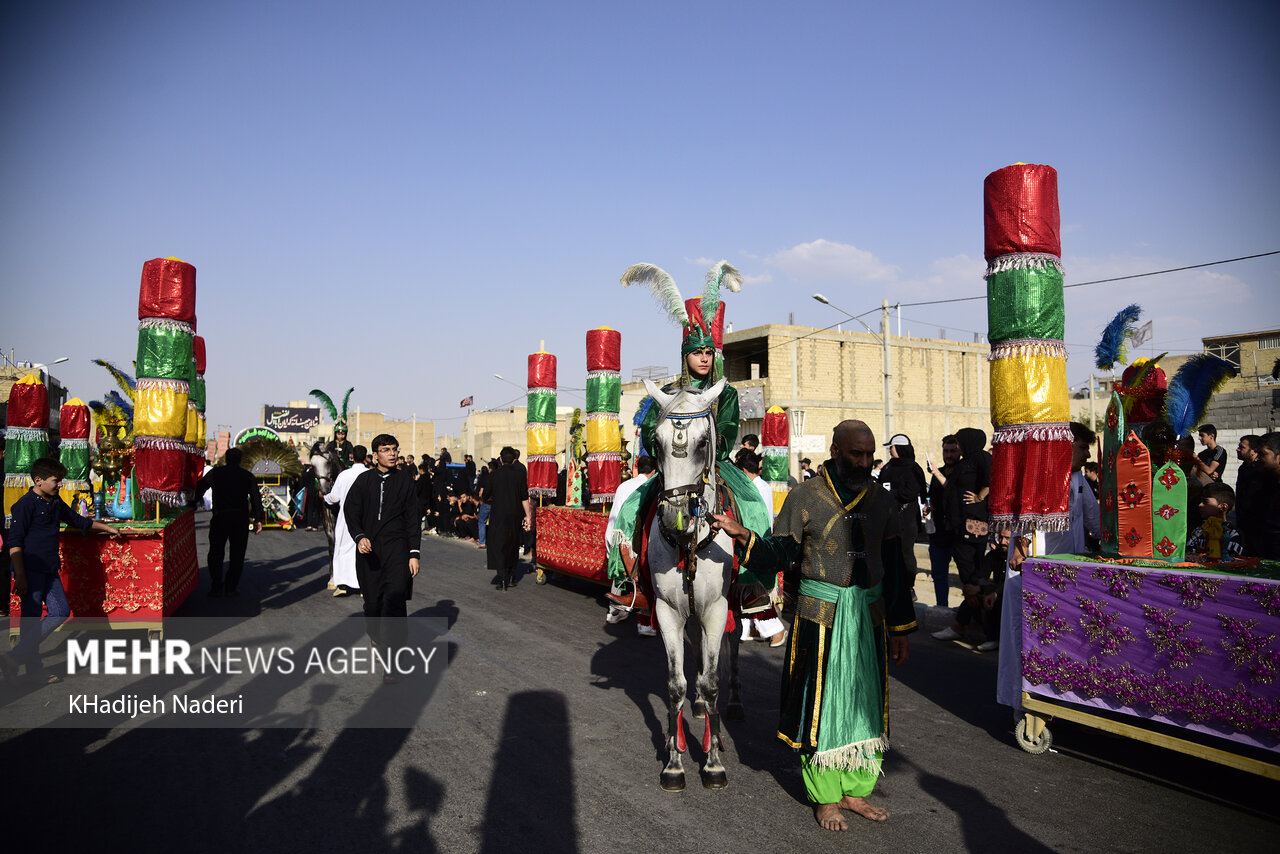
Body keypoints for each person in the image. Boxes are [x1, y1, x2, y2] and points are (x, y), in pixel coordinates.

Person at [712, 421, 914, 831]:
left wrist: (901, 629)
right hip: (819, 618)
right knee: (818, 708)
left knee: (865, 706)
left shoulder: (882, 500)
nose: (864, 462)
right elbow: (781, 553)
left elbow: (896, 568)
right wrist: (744, 535)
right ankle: (825, 797)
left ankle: (855, 790)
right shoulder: (804, 496)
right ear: (836, 451)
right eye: (856, 453)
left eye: (869, 454)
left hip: (870, 618)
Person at [608, 261, 771, 597]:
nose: (705, 358)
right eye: (698, 353)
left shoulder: (725, 392)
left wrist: (710, 445)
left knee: (755, 504)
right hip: (672, 466)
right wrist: (664, 450)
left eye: (709, 352)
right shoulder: (667, 393)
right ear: (686, 357)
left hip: (715, 465)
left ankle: (754, 585)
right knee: (629, 508)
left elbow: (728, 427)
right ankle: (630, 582)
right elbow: (651, 428)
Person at [0, 458, 121, 683]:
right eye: (56, 481)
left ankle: (14, 658)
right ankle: (32, 670)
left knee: (60, 611)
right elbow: (14, 543)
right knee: (31, 620)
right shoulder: (25, 505)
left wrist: (106, 528)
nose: (60, 485)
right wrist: (21, 575)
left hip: (49, 568)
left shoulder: (54, 501)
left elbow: (77, 520)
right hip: (30, 570)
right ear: (38, 480)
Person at [343, 434, 421, 678]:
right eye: (386, 450)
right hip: (370, 552)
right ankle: (375, 637)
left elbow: (413, 519)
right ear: (374, 455)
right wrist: (359, 537)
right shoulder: (363, 481)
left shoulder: (405, 481)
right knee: (373, 604)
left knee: (395, 603)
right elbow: (351, 511)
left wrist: (414, 553)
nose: (392, 453)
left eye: (395, 449)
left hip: (398, 551)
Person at [193, 447, 264, 597]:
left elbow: (200, 487)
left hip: (220, 517)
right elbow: (256, 499)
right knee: (237, 554)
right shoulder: (247, 476)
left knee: (215, 553)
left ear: (226, 459)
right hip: (239, 520)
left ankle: (216, 584)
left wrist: (192, 504)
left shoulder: (216, 473)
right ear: (240, 460)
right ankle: (231, 587)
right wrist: (258, 519)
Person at [604, 455, 658, 633]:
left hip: (619, 537)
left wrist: (611, 541)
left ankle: (614, 612)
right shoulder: (650, 487)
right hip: (638, 540)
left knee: (619, 576)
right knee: (644, 579)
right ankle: (644, 623)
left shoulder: (624, 486)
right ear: (654, 471)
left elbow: (615, 513)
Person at [879, 433, 927, 599]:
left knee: (905, 552)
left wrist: (892, 493)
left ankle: (908, 586)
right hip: (888, 518)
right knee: (887, 553)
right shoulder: (887, 467)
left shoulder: (913, 468)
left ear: (899, 448)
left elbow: (912, 491)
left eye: (892, 447)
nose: (890, 450)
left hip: (907, 519)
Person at [1042, 422, 1101, 556]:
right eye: (1083, 448)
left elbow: (1092, 512)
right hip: (1043, 557)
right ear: (1066, 446)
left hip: (1073, 557)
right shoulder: (1042, 473)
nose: (1088, 455)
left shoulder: (1077, 475)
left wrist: (1106, 538)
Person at [324, 444, 369, 597]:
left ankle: (342, 585)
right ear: (366, 458)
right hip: (366, 519)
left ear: (352, 457)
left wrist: (324, 497)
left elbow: (334, 497)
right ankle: (364, 586)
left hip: (347, 519)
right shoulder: (371, 475)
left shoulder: (344, 475)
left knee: (343, 551)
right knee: (364, 551)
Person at [487, 446, 533, 590]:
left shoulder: (494, 475)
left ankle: (502, 579)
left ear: (501, 459)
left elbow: (485, 495)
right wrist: (528, 516)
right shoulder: (519, 475)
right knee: (513, 545)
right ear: (514, 460)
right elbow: (524, 497)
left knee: (499, 545)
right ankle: (513, 577)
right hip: (515, 515)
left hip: (498, 516)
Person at [922, 435, 960, 607]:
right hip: (938, 532)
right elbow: (932, 496)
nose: (949, 455)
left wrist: (936, 472)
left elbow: (954, 494)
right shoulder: (938, 473)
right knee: (939, 575)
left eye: (953, 451)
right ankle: (942, 608)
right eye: (946, 451)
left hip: (957, 533)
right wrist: (929, 506)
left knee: (966, 577)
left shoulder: (962, 472)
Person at [1187, 482, 1244, 559]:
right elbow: (1189, 552)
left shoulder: (1233, 534)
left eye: (1205, 502)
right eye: (1201, 501)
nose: (1200, 505)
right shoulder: (1199, 531)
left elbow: (1233, 559)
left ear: (1223, 507)